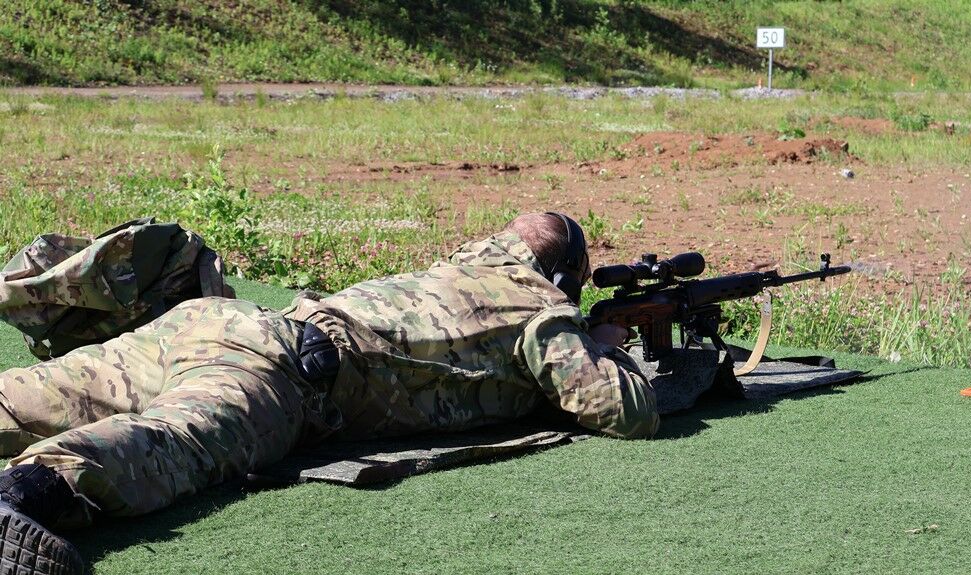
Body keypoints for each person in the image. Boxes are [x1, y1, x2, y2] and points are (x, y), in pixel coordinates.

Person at [0, 212, 659, 575]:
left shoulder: (463, 264)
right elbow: (621, 411)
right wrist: (603, 341)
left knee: (31, 395)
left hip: (213, 320)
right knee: (174, 442)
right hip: (280, 369)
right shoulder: (539, 308)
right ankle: (24, 495)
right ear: (561, 277)